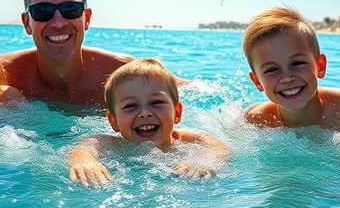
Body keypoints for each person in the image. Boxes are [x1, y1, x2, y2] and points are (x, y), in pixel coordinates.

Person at [68, 58, 230, 187]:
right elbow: (84, 149)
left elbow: (219, 146)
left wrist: (204, 159)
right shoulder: (112, 144)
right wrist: (85, 162)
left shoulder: (186, 139)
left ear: (177, 113)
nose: (145, 113)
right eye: (130, 106)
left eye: (156, 102)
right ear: (114, 121)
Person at [2, 0, 133, 106]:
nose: (58, 23)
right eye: (42, 10)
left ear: (87, 19)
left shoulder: (126, 76)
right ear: (27, 23)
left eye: (71, 8)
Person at [243, 6, 340, 131]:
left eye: (297, 63)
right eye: (271, 70)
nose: (287, 78)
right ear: (257, 82)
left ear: (320, 66)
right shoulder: (256, 121)